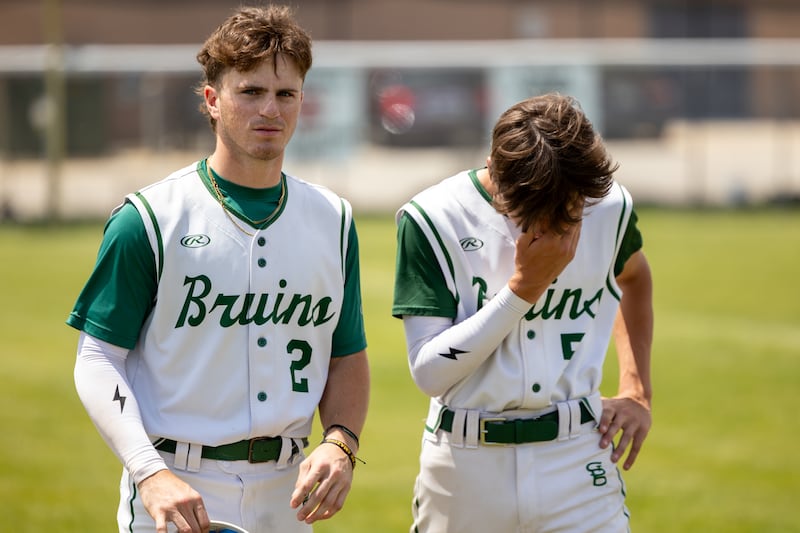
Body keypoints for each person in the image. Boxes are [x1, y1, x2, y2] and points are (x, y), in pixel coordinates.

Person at [67, 6, 369, 533]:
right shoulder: (149, 219)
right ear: (212, 100)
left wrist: (341, 442)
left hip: (289, 494)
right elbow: (96, 358)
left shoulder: (334, 220)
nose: (270, 109)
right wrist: (148, 472)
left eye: (286, 94)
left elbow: (346, 356)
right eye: (250, 91)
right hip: (178, 484)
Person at [392, 92, 653, 532]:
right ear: (497, 176)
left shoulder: (607, 206)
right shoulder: (433, 218)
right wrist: (523, 289)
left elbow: (633, 279)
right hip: (465, 464)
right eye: (538, 210)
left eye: (571, 209)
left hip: (578, 457)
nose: (559, 224)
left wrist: (635, 388)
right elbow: (429, 373)